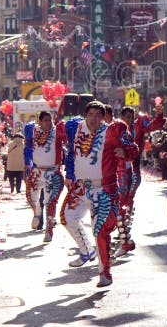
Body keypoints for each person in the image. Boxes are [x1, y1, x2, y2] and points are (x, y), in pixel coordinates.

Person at [62, 101, 138, 288]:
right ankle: (87, 251)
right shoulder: (75, 127)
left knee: (100, 231)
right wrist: (69, 174)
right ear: (85, 115)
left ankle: (105, 272)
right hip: (81, 188)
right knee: (67, 217)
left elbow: (133, 149)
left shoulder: (113, 131)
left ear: (104, 118)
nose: (93, 119)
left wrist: (124, 151)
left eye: (98, 115)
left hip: (104, 189)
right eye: (90, 114)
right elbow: (71, 153)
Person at [24, 111, 66, 242]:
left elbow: (70, 143)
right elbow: (27, 148)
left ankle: (49, 230)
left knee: (50, 203)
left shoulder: (58, 130)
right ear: (39, 122)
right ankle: (37, 212)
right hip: (36, 171)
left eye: (50, 120)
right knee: (30, 196)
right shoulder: (32, 130)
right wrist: (27, 163)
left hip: (53, 173)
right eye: (45, 120)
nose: (48, 123)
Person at [115, 106, 140, 257]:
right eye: (128, 117)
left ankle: (125, 242)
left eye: (132, 117)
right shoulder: (108, 130)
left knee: (120, 209)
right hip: (109, 175)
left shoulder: (125, 132)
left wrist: (124, 153)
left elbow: (134, 151)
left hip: (124, 175)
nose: (130, 120)